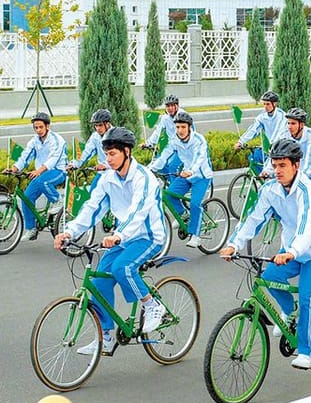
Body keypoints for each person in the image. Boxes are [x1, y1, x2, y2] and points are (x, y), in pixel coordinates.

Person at [220, 139, 311, 371]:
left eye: (282, 165)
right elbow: (253, 219)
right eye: (274, 165)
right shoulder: (270, 190)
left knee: (307, 297)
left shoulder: (309, 192)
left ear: (296, 165)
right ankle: (288, 311)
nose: (277, 171)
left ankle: (308, 352)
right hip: (291, 250)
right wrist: (234, 244)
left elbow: (306, 229)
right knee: (270, 277)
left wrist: (292, 252)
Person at [54, 127, 168, 356]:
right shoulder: (108, 179)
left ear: (127, 152)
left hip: (149, 236)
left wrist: (118, 235)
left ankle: (152, 305)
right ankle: (105, 336)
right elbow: (92, 209)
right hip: (123, 238)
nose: (109, 158)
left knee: (122, 267)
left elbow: (138, 212)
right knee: (99, 280)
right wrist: (69, 231)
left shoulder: (144, 178)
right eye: (106, 154)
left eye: (113, 153)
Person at [149, 111, 213, 249]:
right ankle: (184, 214)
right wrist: (151, 169)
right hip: (185, 174)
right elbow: (164, 156)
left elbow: (199, 158)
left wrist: (191, 170)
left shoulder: (199, 140)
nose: (180, 130)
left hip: (201, 176)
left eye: (183, 127)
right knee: (168, 194)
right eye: (177, 127)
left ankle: (196, 236)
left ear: (189, 127)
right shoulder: (174, 140)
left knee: (195, 204)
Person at [7, 112, 68, 234]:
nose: (38, 130)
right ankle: (31, 229)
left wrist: (39, 170)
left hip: (58, 171)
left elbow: (53, 159)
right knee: (27, 198)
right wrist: (14, 168)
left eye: (41, 127)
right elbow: (25, 156)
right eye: (36, 127)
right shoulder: (34, 141)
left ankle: (57, 200)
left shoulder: (57, 140)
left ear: (47, 126)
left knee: (42, 181)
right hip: (41, 173)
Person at [234, 91, 287, 169]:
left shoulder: (281, 116)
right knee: (254, 157)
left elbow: (278, 133)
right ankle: (260, 179)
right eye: (264, 104)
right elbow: (253, 130)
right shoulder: (262, 116)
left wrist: (271, 145)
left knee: (272, 167)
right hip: (268, 148)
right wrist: (241, 142)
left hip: (280, 148)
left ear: (274, 104)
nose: (265, 106)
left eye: (268, 104)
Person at [276, 108, 311, 191]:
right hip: (295, 175)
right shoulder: (285, 134)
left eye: (293, 123)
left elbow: (310, 159)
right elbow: (277, 154)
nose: (289, 126)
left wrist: (300, 176)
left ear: (301, 125)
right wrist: (267, 170)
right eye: (288, 123)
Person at [143, 94, 188, 174]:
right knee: (157, 162)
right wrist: (148, 143)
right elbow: (158, 132)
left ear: (177, 106)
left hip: (184, 146)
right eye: (167, 106)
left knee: (170, 165)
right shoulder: (165, 118)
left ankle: (174, 184)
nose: (170, 108)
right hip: (172, 145)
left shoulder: (183, 116)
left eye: (172, 105)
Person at [69, 109, 113, 189]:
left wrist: (105, 165)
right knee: (93, 192)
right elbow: (87, 151)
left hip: (116, 172)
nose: (98, 128)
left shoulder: (116, 135)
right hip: (103, 173)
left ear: (107, 124)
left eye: (100, 125)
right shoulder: (95, 136)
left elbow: (119, 156)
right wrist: (76, 163)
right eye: (96, 126)